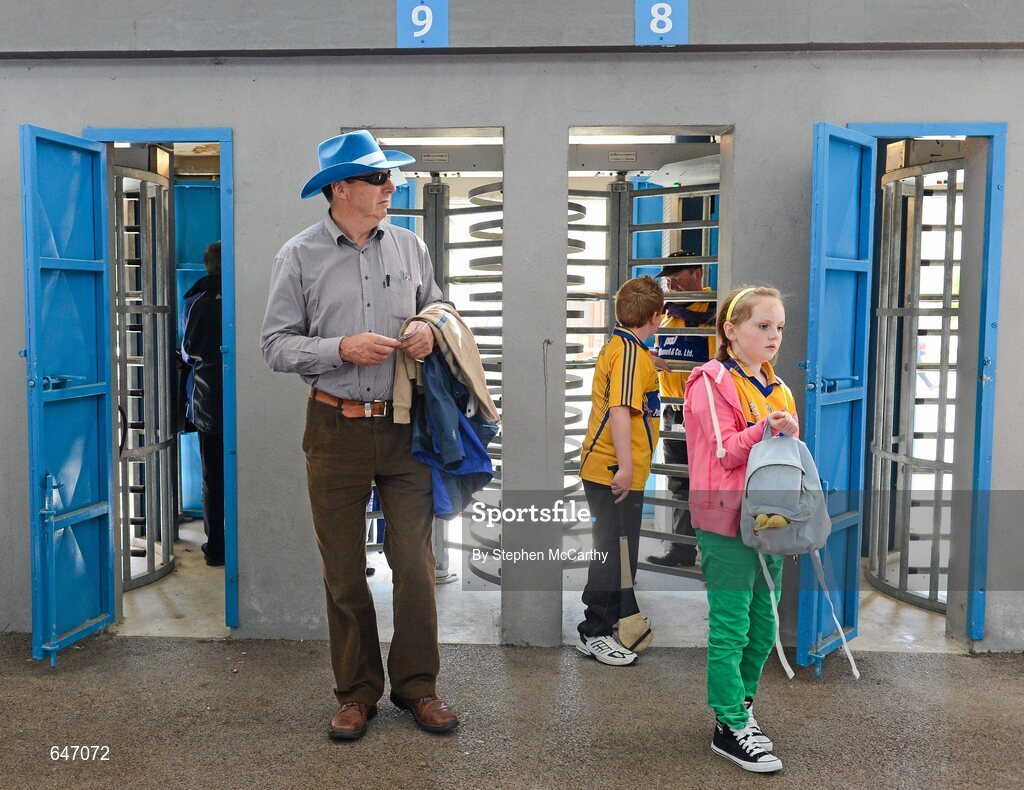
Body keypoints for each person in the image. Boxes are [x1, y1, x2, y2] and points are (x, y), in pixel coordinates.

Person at [260, 130, 458, 740]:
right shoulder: (297, 255)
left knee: (416, 566)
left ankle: (418, 687)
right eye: (378, 179)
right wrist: (337, 348)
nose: (390, 188)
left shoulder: (410, 246)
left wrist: (430, 326)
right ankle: (356, 693)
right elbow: (274, 344)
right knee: (344, 571)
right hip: (333, 430)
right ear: (339, 189)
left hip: (404, 429)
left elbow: (441, 305)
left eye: (389, 178)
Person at [683, 286, 798, 773]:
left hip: (769, 521)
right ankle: (729, 724)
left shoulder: (779, 385)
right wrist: (766, 428)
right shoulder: (709, 381)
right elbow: (727, 449)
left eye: (778, 328)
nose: (773, 336)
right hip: (725, 519)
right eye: (762, 326)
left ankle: (742, 710)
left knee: (763, 624)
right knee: (731, 626)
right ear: (730, 331)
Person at [576, 276, 664, 667]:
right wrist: (626, 467)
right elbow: (619, 410)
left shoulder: (627, 347)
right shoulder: (629, 354)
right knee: (610, 553)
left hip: (615, 468)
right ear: (656, 317)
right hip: (613, 470)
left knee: (617, 550)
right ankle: (593, 632)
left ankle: (609, 624)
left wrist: (652, 362)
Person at [648, 250, 717, 568]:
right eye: (669, 278)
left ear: (698, 273)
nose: (672, 283)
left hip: (706, 413)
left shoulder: (715, 311)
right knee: (679, 482)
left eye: (678, 276)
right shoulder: (667, 314)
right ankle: (682, 550)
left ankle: (715, 555)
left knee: (711, 483)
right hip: (673, 412)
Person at [181, 241, 224, 567]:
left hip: (208, 399)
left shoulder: (196, 301)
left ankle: (216, 548)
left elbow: (187, 351)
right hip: (244, 399)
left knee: (213, 477)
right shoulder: (246, 296)